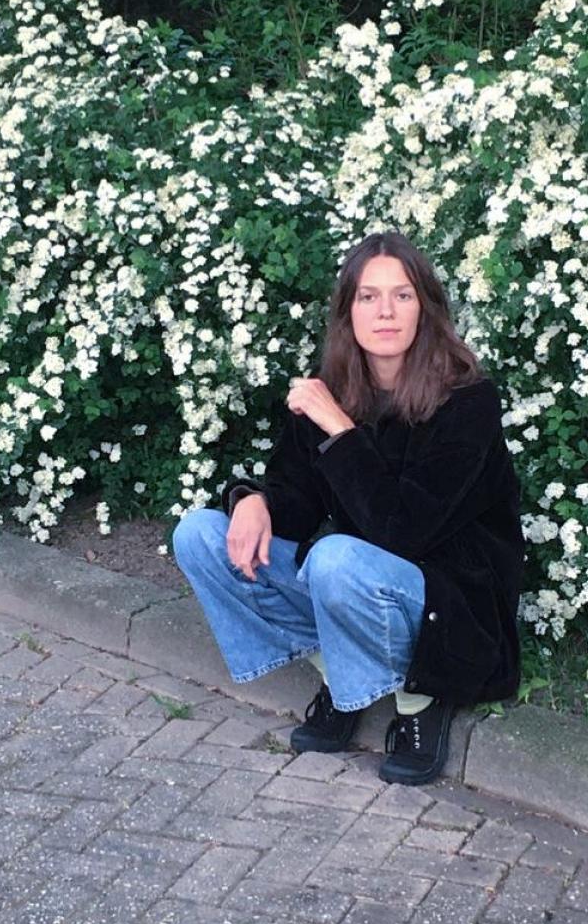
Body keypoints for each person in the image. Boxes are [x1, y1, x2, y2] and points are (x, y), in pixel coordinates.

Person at [171, 230, 524, 785]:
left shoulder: (469, 404)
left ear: (425, 309)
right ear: (348, 313)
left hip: (451, 609)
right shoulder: (335, 390)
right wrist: (253, 501)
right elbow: (297, 501)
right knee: (200, 533)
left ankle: (419, 701)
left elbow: (402, 529)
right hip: (366, 583)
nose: (385, 311)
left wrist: (338, 426)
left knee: (336, 558)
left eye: (402, 295)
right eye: (368, 296)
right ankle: (341, 675)